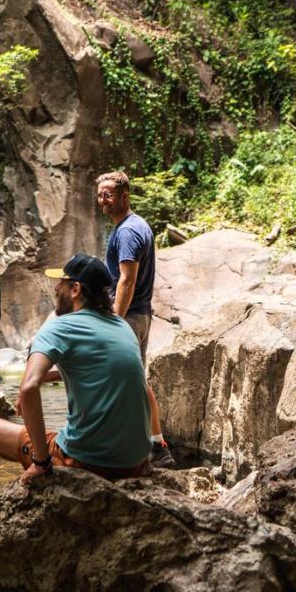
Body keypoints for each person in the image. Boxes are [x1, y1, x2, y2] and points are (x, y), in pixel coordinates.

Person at [0, 254, 152, 481]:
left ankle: (41, 465)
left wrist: (41, 460)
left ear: (75, 289)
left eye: (62, 283)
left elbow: (28, 389)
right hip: (136, 463)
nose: (56, 288)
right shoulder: (122, 326)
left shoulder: (59, 327)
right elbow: (102, 372)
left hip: (90, 464)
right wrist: (49, 377)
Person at [97, 170, 174, 468]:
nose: (102, 200)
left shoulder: (128, 231)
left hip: (129, 316)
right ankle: (155, 446)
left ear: (124, 196)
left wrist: (114, 321)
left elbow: (126, 281)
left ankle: (135, 447)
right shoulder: (135, 225)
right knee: (135, 380)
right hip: (139, 315)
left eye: (108, 195)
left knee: (121, 381)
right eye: (100, 194)